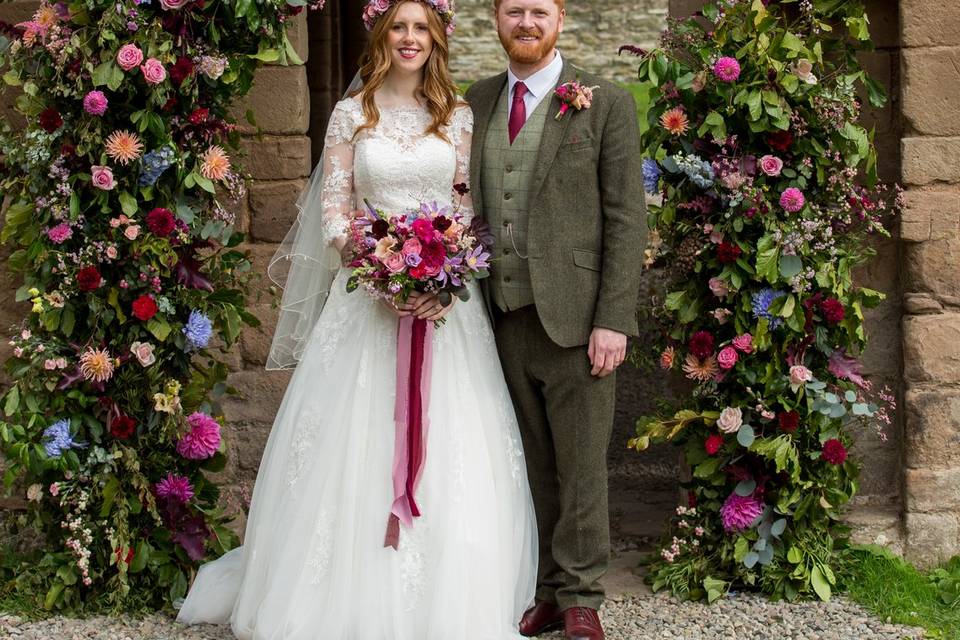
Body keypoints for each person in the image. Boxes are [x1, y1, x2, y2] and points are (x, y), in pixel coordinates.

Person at [176, 2, 537, 638]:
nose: (409, 38)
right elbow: (336, 213)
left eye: (421, 28)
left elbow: (463, 205)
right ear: (381, 36)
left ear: (436, 40)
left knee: (457, 441)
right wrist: (382, 271)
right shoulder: (351, 115)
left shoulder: (456, 116)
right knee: (352, 441)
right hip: (367, 299)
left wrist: (442, 281)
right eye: (399, 26)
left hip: (443, 308)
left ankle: (453, 598)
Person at [464, 0, 645, 638]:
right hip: (497, 314)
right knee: (528, 463)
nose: (527, 24)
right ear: (496, 19)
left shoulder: (606, 102)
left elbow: (626, 219)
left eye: (539, 11)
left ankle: (580, 598)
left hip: (576, 320)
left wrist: (613, 320)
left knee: (581, 465)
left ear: (560, 19)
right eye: (514, 11)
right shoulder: (477, 99)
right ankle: (543, 587)